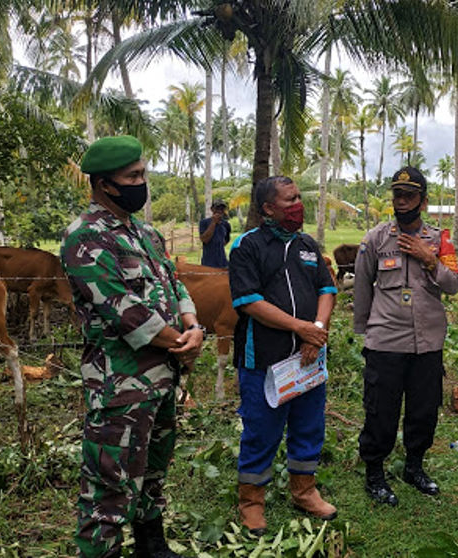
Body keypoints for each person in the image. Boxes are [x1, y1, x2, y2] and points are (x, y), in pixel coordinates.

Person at [61, 135, 204, 558]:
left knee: (153, 470)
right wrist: (184, 342)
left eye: (143, 173)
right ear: (106, 184)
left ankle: (151, 546)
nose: (143, 183)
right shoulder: (85, 239)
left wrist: (193, 324)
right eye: (134, 176)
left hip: (162, 379)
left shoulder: (145, 233)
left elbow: (173, 284)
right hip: (120, 385)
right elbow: (124, 312)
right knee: (109, 485)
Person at [228, 176, 338, 534]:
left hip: (308, 359)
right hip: (263, 360)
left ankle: (304, 491)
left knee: (309, 426)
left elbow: (326, 289)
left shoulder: (308, 245)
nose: (297, 206)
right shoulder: (247, 246)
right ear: (268, 209)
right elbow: (249, 302)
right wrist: (299, 327)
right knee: (262, 431)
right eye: (289, 200)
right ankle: (252, 501)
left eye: (298, 198)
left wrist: (316, 331)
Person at [353, 166, 458, 506]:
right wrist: (365, 332)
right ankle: (375, 472)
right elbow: (361, 288)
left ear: (423, 201)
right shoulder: (375, 239)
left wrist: (430, 260)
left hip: (427, 342)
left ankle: (414, 467)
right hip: (385, 341)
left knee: (424, 410)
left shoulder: (439, 240)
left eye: (409, 196)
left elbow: (455, 285)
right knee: (380, 410)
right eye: (397, 195)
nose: (402, 202)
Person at [199, 200, 232, 268]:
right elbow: (204, 239)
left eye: (222, 209)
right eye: (217, 208)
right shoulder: (204, 223)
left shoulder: (226, 224)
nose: (219, 211)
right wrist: (213, 222)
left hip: (223, 262)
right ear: (212, 209)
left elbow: (227, 239)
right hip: (208, 262)